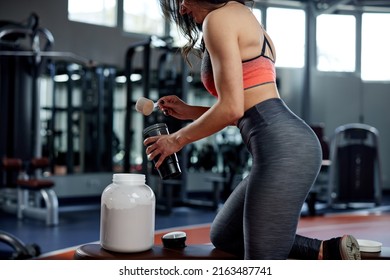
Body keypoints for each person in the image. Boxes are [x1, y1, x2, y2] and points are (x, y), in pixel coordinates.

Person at [144, 0, 361, 260]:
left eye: (182, 1)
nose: (182, 10)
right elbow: (243, 110)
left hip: (284, 149)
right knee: (225, 234)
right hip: (288, 142)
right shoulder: (242, 17)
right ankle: (327, 250)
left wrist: (176, 140)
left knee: (261, 264)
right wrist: (189, 111)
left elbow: (233, 109)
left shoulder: (219, 20)